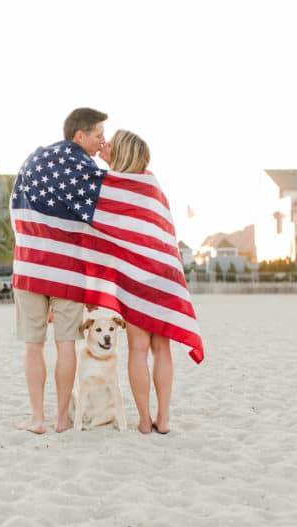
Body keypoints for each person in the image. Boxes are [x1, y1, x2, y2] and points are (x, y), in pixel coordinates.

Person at [12, 107, 108, 434]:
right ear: (79, 135)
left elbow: (15, 210)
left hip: (29, 266)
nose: (102, 142)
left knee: (32, 344)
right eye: (98, 136)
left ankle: (37, 418)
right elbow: (107, 209)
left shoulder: (33, 160)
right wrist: (108, 162)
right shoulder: (85, 167)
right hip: (67, 270)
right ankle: (62, 419)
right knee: (66, 343)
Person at [99, 129, 172, 434]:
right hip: (163, 274)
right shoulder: (152, 182)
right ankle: (163, 419)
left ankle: (144, 421)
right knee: (161, 348)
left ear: (121, 153)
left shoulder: (111, 186)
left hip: (134, 276)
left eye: (111, 145)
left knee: (138, 349)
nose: (105, 146)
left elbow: (99, 231)